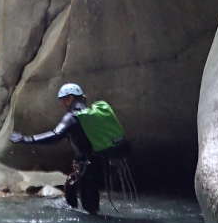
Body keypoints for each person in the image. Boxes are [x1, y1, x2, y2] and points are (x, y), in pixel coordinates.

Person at [9, 83, 129, 215]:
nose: (63, 104)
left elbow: (56, 135)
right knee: (72, 188)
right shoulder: (91, 117)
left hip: (88, 167)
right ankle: (84, 215)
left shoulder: (73, 118)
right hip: (101, 163)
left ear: (70, 98)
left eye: (63, 100)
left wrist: (26, 139)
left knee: (90, 209)